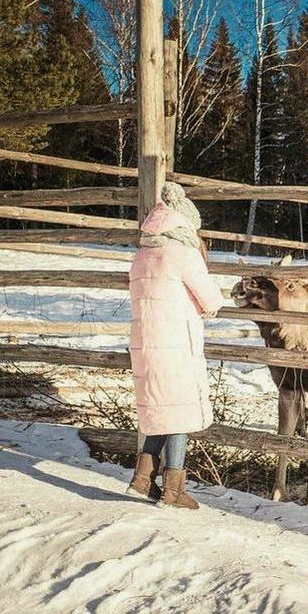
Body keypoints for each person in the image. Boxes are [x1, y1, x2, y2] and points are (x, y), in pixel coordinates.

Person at [126, 182, 225, 509]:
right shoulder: (183, 254)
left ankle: (142, 480)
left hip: (146, 344)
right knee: (178, 413)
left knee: (161, 409)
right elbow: (210, 300)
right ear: (184, 224)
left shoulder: (141, 255)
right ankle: (172, 491)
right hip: (175, 345)